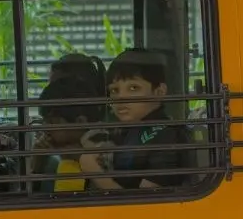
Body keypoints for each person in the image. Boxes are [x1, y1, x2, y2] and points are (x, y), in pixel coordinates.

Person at [83, 49, 194, 190]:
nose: (120, 98)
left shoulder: (167, 137)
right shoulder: (129, 131)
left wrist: (94, 172)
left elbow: (144, 204)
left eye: (133, 88)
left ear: (159, 92)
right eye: (114, 90)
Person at [32, 77, 111, 193]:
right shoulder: (54, 152)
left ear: (80, 123)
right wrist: (38, 161)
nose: (45, 128)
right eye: (44, 121)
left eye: (52, 122)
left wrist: (76, 155)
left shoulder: (101, 145)